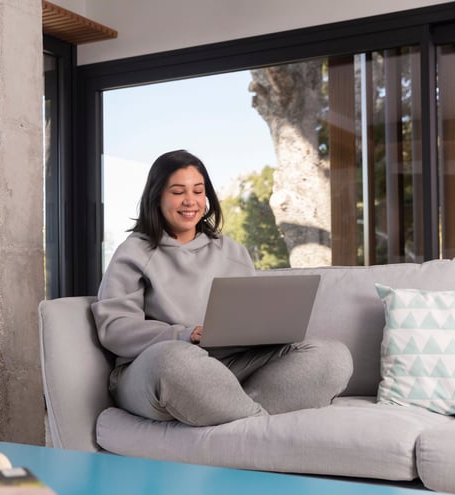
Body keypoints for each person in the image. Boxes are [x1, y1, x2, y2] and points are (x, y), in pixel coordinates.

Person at [91, 149, 353, 427]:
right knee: (172, 361)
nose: (190, 200)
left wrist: (268, 333)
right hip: (158, 371)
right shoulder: (133, 252)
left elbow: (253, 315)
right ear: (156, 197)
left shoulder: (232, 251)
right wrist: (184, 334)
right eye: (178, 192)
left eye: (198, 191)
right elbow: (115, 328)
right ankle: (255, 425)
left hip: (231, 367)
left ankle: (231, 415)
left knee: (332, 357)